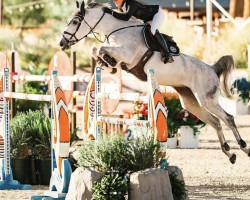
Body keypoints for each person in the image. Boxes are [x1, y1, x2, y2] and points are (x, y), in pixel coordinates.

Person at [102, 0, 173, 64]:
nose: (114, 1)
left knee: (153, 30)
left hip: (157, 14)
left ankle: (167, 54)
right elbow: (120, 18)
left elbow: (126, 18)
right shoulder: (121, 8)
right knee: (145, 33)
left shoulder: (131, 2)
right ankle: (165, 39)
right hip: (147, 19)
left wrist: (110, 12)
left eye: (116, 0)